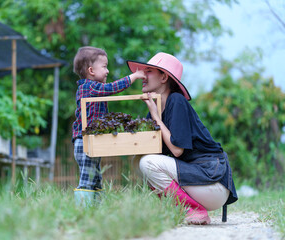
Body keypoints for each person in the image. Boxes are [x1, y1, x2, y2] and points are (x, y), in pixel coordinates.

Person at [126, 52, 238, 225]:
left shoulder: (176, 101)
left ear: (163, 77)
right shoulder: (156, 107)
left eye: (148, 71)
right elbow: (150, 149)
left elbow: (177, 151)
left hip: (212, 182)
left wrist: (156, 118)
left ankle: (193, 210)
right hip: (195, 180)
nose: (142, 75)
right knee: (138, 161)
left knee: (147, 163)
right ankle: (178, 209)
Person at [72, 46, 146, 206]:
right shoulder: (89, 87)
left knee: (96, 177)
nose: (107, 71)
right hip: (84, 141)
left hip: (89, 141)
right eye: (104, 67)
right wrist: (134, 76)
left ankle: (96, 208)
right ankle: (82, 210)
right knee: (87, 178)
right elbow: (112, 88)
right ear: (91, 70)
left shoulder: (93, 88)